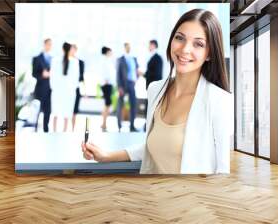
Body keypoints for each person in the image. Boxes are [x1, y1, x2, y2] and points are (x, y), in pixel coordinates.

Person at [81, 9, 233, 174]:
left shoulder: (219, 100)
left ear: (209, 54)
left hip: (191, 198)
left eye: (198, 44)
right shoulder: (155, 90)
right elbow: (154, 145)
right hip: (150, 196)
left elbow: (222, 171)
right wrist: (106, 156)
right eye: (180, 38)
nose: (185, 49)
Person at [50, 42, 80, 132]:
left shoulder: (55, 60)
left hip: (57, 91)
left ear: (62, 49)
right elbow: (76, 79)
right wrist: (73, 89)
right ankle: (64, 132)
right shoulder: (75, 62)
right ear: (70, 49)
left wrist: (53, 88)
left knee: (55, 112)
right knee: (66, 114)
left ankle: (54, 131)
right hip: (69, 91)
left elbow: (52, 76)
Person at [116, 42, 139, 132]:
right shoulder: (120, 59)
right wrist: (119, 87)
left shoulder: (134, 58)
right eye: (127, 47)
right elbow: (118, 74)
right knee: (120, 104)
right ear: (124, 48)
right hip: (123, 84)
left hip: (132, 84)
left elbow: (136, 70)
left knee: (133, 104)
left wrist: (136, 79)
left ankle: (132, 126)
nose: (128, 48)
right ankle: (119, 125)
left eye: (129, 47)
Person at [32, 38, 52, 132]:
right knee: (38, 111)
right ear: (44, 45)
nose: (49, 46)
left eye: (51, 44)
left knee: (48, 111)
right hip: (40, 89)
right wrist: (42, 75)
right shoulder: (37, 58)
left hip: (50, 89)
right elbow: (34, 74)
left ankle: (46, 129)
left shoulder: (53, 59)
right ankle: (35, 129)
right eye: (48, 44)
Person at [143, 39, 163, 131]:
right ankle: (147, 124)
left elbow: (157, 74)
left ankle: (150, 125)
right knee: (150, 106)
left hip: (155, 87)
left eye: (149, 45)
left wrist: (144, 74)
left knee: (152, 106)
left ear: (154, 45)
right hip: (151, 87)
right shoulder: (152, 57)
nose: (148, 47)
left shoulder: (157, 58)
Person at [100, 46, 116, 132]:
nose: (112, 53)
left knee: (107, 104)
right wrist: (106, 81)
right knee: (107, 104)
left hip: (108, 84)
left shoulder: (107, 60)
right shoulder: (105, 61)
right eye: (110, 51)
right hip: (107, 85)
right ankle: (104, 123)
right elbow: (105, 73)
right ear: (107, 52)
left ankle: (103, 123)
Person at [71, 44, 85, 131]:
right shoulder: (65, 61)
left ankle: (72, 129)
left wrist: (85, 90)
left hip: (76, 88)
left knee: (74, 111)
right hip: (67, 89)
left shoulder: (80, 62)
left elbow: (82, 77)